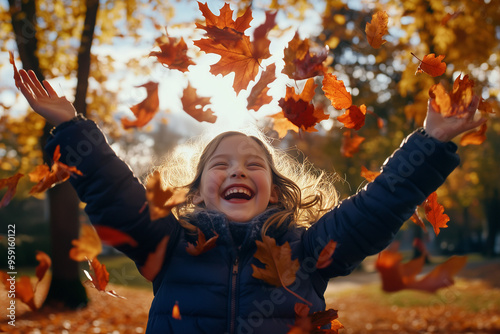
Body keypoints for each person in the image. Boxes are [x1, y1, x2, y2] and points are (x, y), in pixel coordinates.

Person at [15, 68, 485, 334]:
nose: (237, 169)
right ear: (198, 191)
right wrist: (70, 126)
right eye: (220, 164)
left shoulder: (308, 249)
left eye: (252, 164)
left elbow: (378, 206)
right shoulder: (170, 243)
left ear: (276, 191)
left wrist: (431, 141)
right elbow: (114, 195)